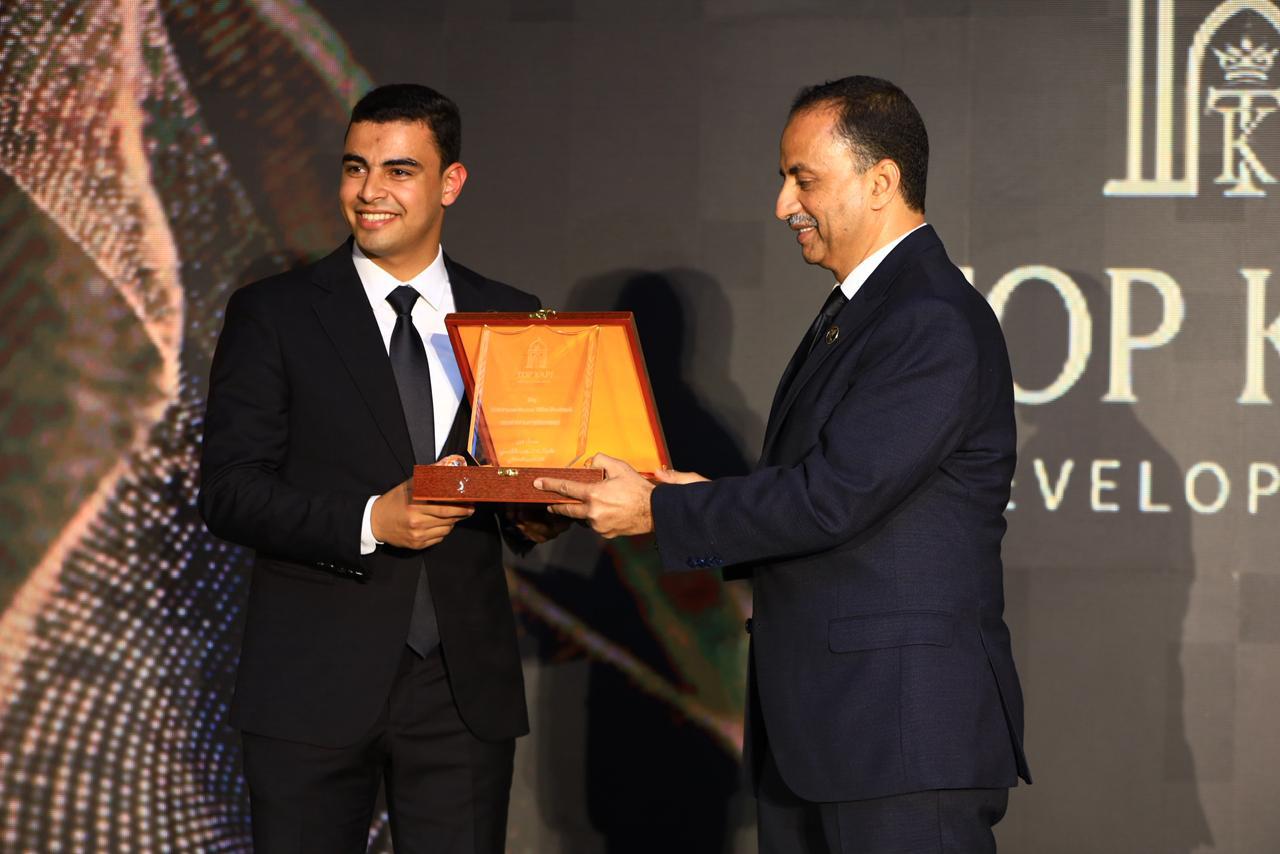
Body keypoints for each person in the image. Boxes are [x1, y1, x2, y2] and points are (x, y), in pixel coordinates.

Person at [536, 76, 1031, 853]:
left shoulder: (928, 318)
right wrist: (698, 496)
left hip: (898, 742)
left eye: (804, 179)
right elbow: (830, 491)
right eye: (783, 179)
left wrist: (660, 513)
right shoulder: (863, 310)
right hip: (828, 737)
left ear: (881, 182)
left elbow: (833, 498)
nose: (782, 204)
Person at [199, 83, 555, 853]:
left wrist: (537, 516)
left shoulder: (511, 314)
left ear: (450, 183)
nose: (369, 191)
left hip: (460, 688)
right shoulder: (274, 313)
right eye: (355, 167)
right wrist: (369, 520)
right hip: (311, 684)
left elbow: (518, 486)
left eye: (399, 170)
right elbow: (229, 491)